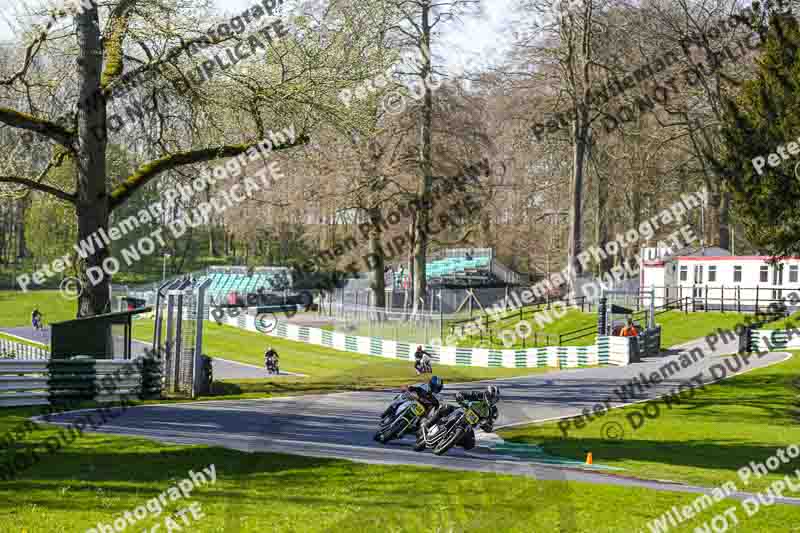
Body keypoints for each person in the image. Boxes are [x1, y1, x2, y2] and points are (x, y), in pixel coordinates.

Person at [416, 385, 501, 451]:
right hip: (462, 412)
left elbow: (490, 426)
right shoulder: (478, 395)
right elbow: (462, 394)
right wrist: (460, 396)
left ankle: (451, 441)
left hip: (469, 425)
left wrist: (486, 425)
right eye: (491, 397)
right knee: (446, 407)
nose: (492, 400)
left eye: (494, 399)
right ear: (487, 394)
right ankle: (427, 424)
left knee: (470, 445)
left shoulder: (493, 411)